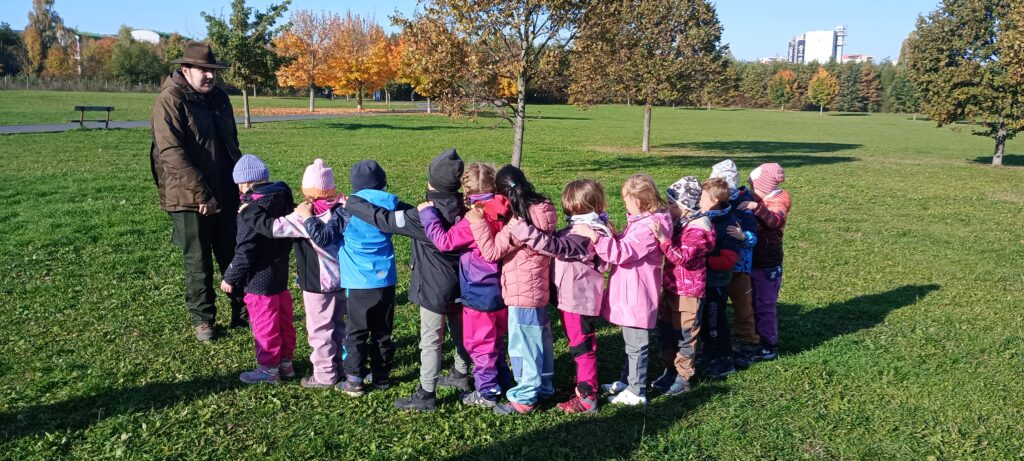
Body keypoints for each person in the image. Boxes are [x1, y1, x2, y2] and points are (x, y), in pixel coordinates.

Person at [150, 41, 245, 341]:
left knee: (234, 251)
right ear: (185, 70)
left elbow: (231, 144)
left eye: (213, 70)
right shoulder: (170, 100)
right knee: (198, 260)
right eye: (203, 70)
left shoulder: (220, 99)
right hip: (187, 195)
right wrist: (202, 193)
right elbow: (171, 153)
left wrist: (242, 182)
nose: (210, 76)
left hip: (225, 188)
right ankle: (204, 319)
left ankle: (244, 311)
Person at [509, 179, 610, 414]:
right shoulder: (579, 228)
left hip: (579, 302)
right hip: (571, 300)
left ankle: (588, 396)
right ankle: (581, 385)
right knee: (577, 344)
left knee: (582, 347)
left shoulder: (586, 233)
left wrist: (524, 231)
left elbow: (557, 247)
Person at [418, 163, 514, 408]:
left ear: (467, 191)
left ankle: (487, 392)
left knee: (480, 344)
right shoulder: (505, 209)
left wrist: (427, 214)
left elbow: (444, 241)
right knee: (496, 339)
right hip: (502, 287)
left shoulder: (474, 220)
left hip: (479, 290)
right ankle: (503, 381)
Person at [244, 159, 346, 388]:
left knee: (320, 330)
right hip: (343, 279)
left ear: (307, 191)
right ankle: (340, 366)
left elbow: (273, 228)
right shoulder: (342, 208)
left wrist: (249, 211)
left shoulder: (304, 216)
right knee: (338, 326)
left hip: (317, 283)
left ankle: (324, 375)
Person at [304, 160, 400, 397]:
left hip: (359, 282)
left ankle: (354, 381)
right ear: (382, 185)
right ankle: (381, 377)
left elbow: (323, 237)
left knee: (356, 332)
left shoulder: (346, 211)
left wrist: (308, 218)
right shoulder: (390, 206)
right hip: (386, 279)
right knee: (382, 331)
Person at [467, 165, 557, 415]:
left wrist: (478, 222)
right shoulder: (544, 208)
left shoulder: (520, 222)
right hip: (538, 288)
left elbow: (491, 251)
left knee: (524, 346)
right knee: (541, 342)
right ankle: (545, 387)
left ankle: (525, 397)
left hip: (521, 291)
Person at [576, 173, 672, 406]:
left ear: (640, 200)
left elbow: (621, 253)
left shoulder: (649, 227)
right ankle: (627, 381)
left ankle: (637, 391)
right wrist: (613, 233)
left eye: (627, 200)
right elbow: (626, 246)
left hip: (638, 294)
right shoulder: (642, 222)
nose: (625, 204)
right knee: (631, 343)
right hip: (633, 291)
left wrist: (595, 237)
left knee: (637, 345)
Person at [219, 155, 296, 384]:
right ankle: (286, 363)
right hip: (280, 274)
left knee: (265, 324)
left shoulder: (250, 211)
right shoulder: (283, 200)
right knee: (283, 321)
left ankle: (269, 369)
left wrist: (230, 277)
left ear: (244, 183)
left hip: (259, 280)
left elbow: (245, 249)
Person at [650, 176, 715, 396]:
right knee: (666, 331)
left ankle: (683, 377)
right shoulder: (681, 223)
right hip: (671, 288)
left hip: (689, 293)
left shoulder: (698, 229)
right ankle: (670, 369)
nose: (668, 208)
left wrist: (663, 239)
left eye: (671, 204)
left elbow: (682, 257)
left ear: (686, 206)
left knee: (685, 335)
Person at [735, 163, 792, 367]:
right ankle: (754, 337)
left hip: (768, 262)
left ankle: (767, 344)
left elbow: (774, 221)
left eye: (753, 187)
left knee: (765, 304)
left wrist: (755, 207)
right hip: (753, 259)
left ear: (765, 186)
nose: (751, 191)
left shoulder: (779, 200)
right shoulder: (758, 197)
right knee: (751, 300)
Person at [708, 160, 760, 362]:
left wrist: (743, 237)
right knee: (716, 305)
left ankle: (748, 342)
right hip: (718, 267)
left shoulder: (743, 206)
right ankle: (715, 339)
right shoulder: (712, 203)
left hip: (739, 267)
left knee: (743, 304)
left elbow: (753, 238)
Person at [697, 178, 744, 379]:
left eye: (702, 197)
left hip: (716, 282)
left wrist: (703, 260)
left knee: (716, 320)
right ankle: (709, 352)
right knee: (705, 319)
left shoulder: (728, 226)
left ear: (715, 200)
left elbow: (728, 259)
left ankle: (724, 359)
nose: (699, 200)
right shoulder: (706, 218)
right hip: (705, 281)